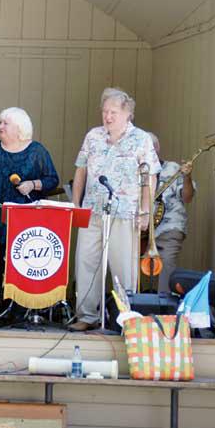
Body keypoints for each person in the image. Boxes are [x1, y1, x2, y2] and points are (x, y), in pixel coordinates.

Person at [70, 88, 160, 331]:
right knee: (86, 262)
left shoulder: (140, 139)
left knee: (123, 267)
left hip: (125, 211)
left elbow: (150, 177)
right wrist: (76, 205)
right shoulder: (93, 136)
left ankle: (126, 317)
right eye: (105, 111)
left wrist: (145, 211)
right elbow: (81, 170)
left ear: (127, 113)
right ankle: (87, 316)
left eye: (113, 112)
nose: (108, 116)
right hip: (92, 210)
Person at [0, 107, 59, 326]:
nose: (0, 127)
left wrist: (33, 184)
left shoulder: (37, 151)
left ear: (19, 128)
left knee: (20, 265)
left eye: (5, 123)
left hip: (24, 221)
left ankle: (18, 314)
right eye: (0, 122)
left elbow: (52, 179)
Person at [150, 133, 195, 293]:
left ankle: (163, 308)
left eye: (151, 147)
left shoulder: (173, 168)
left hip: (168, 228)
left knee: (166, 262)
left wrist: (187, 176)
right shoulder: (134, 172)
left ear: (158, 148)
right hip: (140, 230)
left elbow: (187, 197)